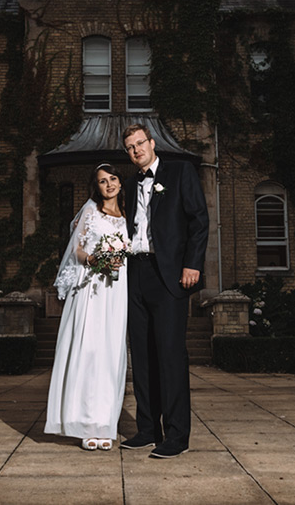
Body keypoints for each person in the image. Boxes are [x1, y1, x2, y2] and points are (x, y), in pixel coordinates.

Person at [119, 123, 209, 459]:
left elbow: (199, 220)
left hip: (170, 274)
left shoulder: (180, 172)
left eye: (140, 143)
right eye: (130, 147)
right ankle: (146, 429)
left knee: (170, 356)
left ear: (152, 143)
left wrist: (192, 264)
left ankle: (176, 435)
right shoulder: (129, 183)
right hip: (136, 273)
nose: (136, 150)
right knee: (141, 355)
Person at [45, 163, 130, 451]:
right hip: (92, 288)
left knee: (110, 354)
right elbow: (77, 249)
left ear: (120, 182)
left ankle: (105, 424)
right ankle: (84, 424)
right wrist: (94, 260)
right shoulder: (91, 213)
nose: (109, 185)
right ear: (97, 187)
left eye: (113, 179)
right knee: (89, 350)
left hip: (117, 290)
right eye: (103, 181)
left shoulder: (127, 217)